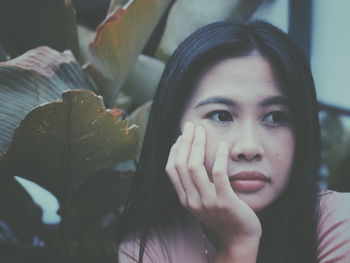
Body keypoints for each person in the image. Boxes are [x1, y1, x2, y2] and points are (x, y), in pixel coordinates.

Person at [116, 20, 350, 262]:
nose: (248, 147)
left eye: (275, 117)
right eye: (221, 116)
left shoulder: (339, 225)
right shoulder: (147, 251)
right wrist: (237, 245)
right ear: (175, 130)